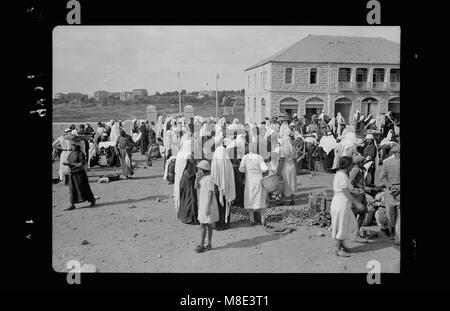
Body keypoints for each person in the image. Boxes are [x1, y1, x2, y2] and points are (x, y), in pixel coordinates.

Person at [330, 156, 366, 257]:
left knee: (349, 224)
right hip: (341, 202)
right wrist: (357, 203)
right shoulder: (342, 176)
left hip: (341, 202)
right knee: (342, 225)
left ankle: (342, 245)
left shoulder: (341, 174)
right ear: (348, 165)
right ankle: (337, 249)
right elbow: (346, 192)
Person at [239, 141, 269, 225]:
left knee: (250, 198)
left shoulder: (245, 158)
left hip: (249, 180)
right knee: (260, 198)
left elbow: (241, 169)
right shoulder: (259, 157)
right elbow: (265, 169)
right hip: (258, 180)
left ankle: (252, 219)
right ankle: (263, 219)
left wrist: (247, 171)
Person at [194, 160, 219, 253]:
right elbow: (196, 187)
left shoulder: (209, 179)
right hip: (203, 204)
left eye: (200, 169)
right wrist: (197, 178)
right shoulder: (203, 178)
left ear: (203, 169)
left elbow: (210, 193)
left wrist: (208, 207)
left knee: (205, 224)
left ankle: (203, 244)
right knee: (206, 224)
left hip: (207, 204)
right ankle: (207, 243)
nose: (198, 171)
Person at [211, 137, 236, 230]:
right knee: (226, 201)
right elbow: (230, 172)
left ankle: (218, 223)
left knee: (217, 203)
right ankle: (226, 222)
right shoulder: (226, 157)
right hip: (227, 185)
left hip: (217, 184)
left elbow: (213, 172)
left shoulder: (216, 156)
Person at [63, 141, 96, 211]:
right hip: (72, 174)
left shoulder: (81, 154)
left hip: (80, 174)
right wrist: (67, 164)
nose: (72, 147)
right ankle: (72, 204)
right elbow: (69, 161)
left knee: (84, 187)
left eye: (73, 145)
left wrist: (71, 164)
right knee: (72, 189)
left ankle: (92, 200)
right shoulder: (71, 153)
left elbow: (81, 164)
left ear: (76, 146)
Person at [378, 145, 400, 243]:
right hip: (399, 191)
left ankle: (391, 232)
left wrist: (390, 186)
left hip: (389, 191)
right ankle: (398, 238)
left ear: (394, 153)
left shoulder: (387, 162)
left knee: (390, 212)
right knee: (399, 215)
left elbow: (382, 177)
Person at [349, 155, 369, 239]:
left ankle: (355, 232)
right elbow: (350, 183)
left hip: (359, 194)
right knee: (358, 214)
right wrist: (359, 189)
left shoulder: (356, 170)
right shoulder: (355, 170)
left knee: (361, 213)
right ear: (360, 163)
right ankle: (354, 233)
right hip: (357, 195)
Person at [178, 156, 198, 225]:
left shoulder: (185, 172)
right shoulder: (189, 173)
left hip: (186, 191)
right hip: (189, 192)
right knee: (190, 202)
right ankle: (189, 218)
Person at [277, 136, 297, 205]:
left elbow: (282, 160)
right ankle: (292, 199)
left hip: (285, 168)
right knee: (292, 183)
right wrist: (296, 169)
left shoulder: (282, 149)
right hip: (292, 167)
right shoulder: (293, 148)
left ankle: (282, 200)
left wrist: (278, 170)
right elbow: (295, 160)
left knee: (284, 184)